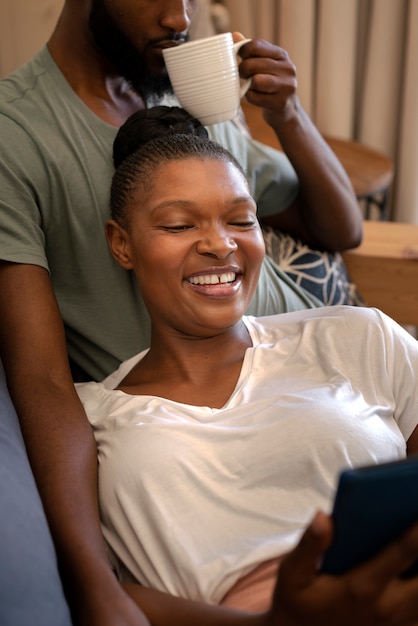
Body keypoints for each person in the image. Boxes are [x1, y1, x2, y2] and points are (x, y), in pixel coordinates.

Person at [0, 1, 363, 623]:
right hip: (189, 416)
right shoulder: (16, 136)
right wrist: (94, 584)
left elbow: (339, 226)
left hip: (318, 367)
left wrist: (289, 115)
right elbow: (41, 378)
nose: (181, 19)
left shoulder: (195, 94)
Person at [74, 107, 418, 626]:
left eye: (241, 220)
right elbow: (93, 587)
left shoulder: (359, 337)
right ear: (121, 243)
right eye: (179, 224)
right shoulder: (87, 418)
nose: (220, 244)